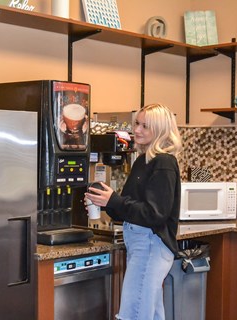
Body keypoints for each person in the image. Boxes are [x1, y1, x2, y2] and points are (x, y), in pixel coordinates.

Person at [85, 103, 182, 320]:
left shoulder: (163, 163)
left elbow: (154, 214)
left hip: (150, 244)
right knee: (151, 313)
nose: (137, 130)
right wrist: (106, 201)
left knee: (134, 314)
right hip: (142, 243)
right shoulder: (143, 160)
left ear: (161, 130)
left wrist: (115, 201)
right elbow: (126, 210)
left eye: (145, 126)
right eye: (137, 123)